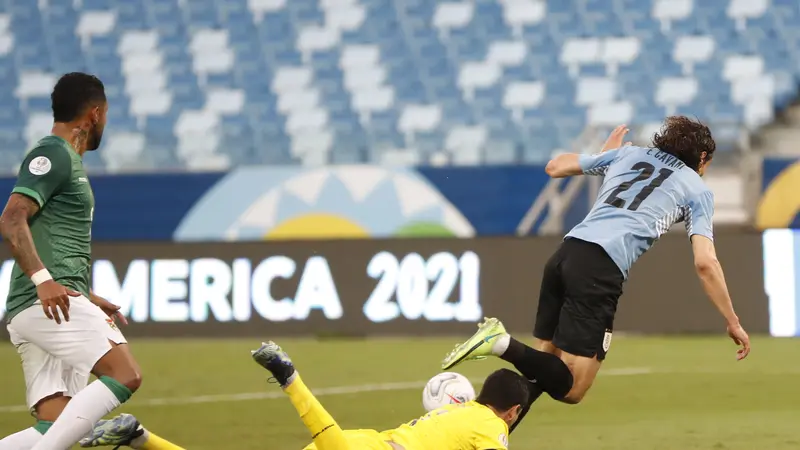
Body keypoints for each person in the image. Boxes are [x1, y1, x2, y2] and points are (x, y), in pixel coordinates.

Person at [441, 118, 752, 426]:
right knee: (572, 388)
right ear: (701, 158)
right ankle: (499, 343)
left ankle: (475, 435)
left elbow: (555, 167)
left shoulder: (628, 155)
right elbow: (705, 262)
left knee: (539, 373)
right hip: (599, 270)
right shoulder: (697, 190)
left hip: (565, 255)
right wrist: (733, 321)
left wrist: (605, 157)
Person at [0, 72, 144, 450]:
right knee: (125, 375)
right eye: (107, 115)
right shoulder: (52, 155)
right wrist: (43, 280)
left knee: (56, 426)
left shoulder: (68, 161)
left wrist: (85, 292)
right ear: (95, 114)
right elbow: (12, 217)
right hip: (44, 304)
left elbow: (51, 239)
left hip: (53, 301)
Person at [252, 340, 528, 450]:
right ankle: (291, 380)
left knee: (330, 443)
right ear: (513, 411)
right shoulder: (492, 424)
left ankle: (290, 380)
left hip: (373, 440)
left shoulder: (457, 410)